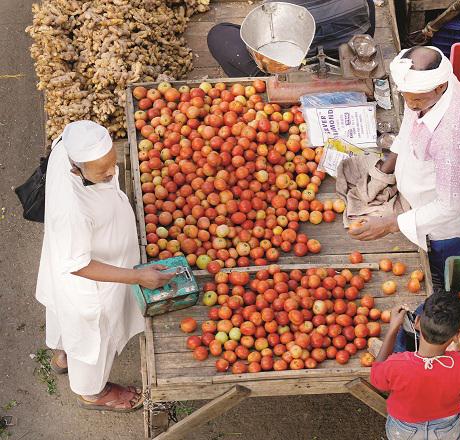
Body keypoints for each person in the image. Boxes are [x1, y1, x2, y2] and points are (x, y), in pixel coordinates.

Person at [36, 120, 174, 411]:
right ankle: (93, 393)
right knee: (94, 339)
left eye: (111, 163)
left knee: (69, 328)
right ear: (77, 168)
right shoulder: (71, 210)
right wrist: (137, 277)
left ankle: (64, 358)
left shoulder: (70, 144)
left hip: (79, 254)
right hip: (89, 284)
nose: (113, 172)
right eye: (104, 172)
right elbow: (79, 265)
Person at [349, 46, 460, 289]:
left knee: (441, 270)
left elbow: (449, 206)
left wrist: (392, 223)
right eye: (406, 96)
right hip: (420, 198)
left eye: (417, 99)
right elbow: (411, 124)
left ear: (440, 87)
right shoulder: (430, 87)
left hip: (444, 227)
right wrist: (386, 168)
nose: (410, 104)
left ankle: (446, 289)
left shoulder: (452, 138)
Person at [370, 292, 460, 440]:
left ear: (417, 322)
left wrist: (393, 328)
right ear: (457, 334)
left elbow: (376, 379)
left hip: (404, 430)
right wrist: (457, 352)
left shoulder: (396, 364)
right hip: (446, 431)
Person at [207, 0, 376, 77]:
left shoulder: (280, 7)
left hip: (289, 66)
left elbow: (266, 37)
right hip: (345, 60)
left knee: (219, 35)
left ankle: (262, 79)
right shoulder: (362, 3)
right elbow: (368, 31)